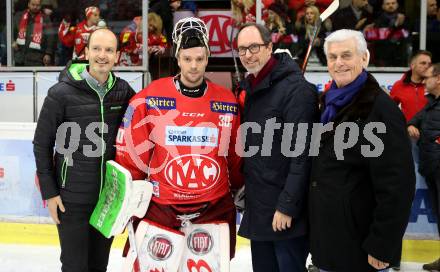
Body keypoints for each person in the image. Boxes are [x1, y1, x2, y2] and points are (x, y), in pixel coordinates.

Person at [114, 17, 243, 260]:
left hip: (213, 209)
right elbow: (132, 157)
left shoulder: (226, 101)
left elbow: (235, 156)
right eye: (187, 59)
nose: (193, 66)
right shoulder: (150, 98)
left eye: (199, 59)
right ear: (177, 59)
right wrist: (127, 196)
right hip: (161, 209)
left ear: (207, 58)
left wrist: (239, 185)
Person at [309, 29, 415, 272]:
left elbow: (397, 185)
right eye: (333, 57)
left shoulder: (381, 109)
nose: (339, 63)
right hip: (329, 244)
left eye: (346, 55)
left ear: (364, 58)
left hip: (362, 248)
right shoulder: (329, 103)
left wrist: (382, 244)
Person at [33, 28, 136, 272]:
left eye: (109, 50)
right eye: (97, 49)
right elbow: (41, 143)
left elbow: (137, 135)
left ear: (117, 56)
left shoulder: (124, 93)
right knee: (74, 266)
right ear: (86, 52)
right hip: (71, 199)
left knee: (99, 265)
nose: (102, 55)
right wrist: (50, 193)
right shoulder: (61, 94)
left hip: (108, 199)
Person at [235, 23, 318, 272]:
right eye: (242, 50)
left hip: (284, 213)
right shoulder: (251, 87)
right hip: (260, 208)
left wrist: (287, 206)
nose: (248, 55)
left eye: (254, 47)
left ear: (270, 47)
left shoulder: (296, 90)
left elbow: (302, 155)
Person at [407, 63, 440, 272]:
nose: (424, 80)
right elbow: (412, 121)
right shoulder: (430, 103)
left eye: (427, 77)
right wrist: (411, 125)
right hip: (432, 168)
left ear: (438, 79)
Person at [390, 50, 432, 122]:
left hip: (431, 132)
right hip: (408, 131)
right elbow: (389, 110)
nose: (427, 66)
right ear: (412, 65)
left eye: (429, 64)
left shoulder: (434, 85)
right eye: (423, 63)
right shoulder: (399, 85)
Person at [13, 0, 55, 66]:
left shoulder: (45, 18)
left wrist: (48, 53)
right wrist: (12, 41)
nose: (35, 7)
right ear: (28, 4)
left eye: (38, 5)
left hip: (37, 58)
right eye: (33, 4)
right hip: (20, 57)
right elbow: (11, 31)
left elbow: (50, 38)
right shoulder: (20, 16)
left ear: (40, 6)